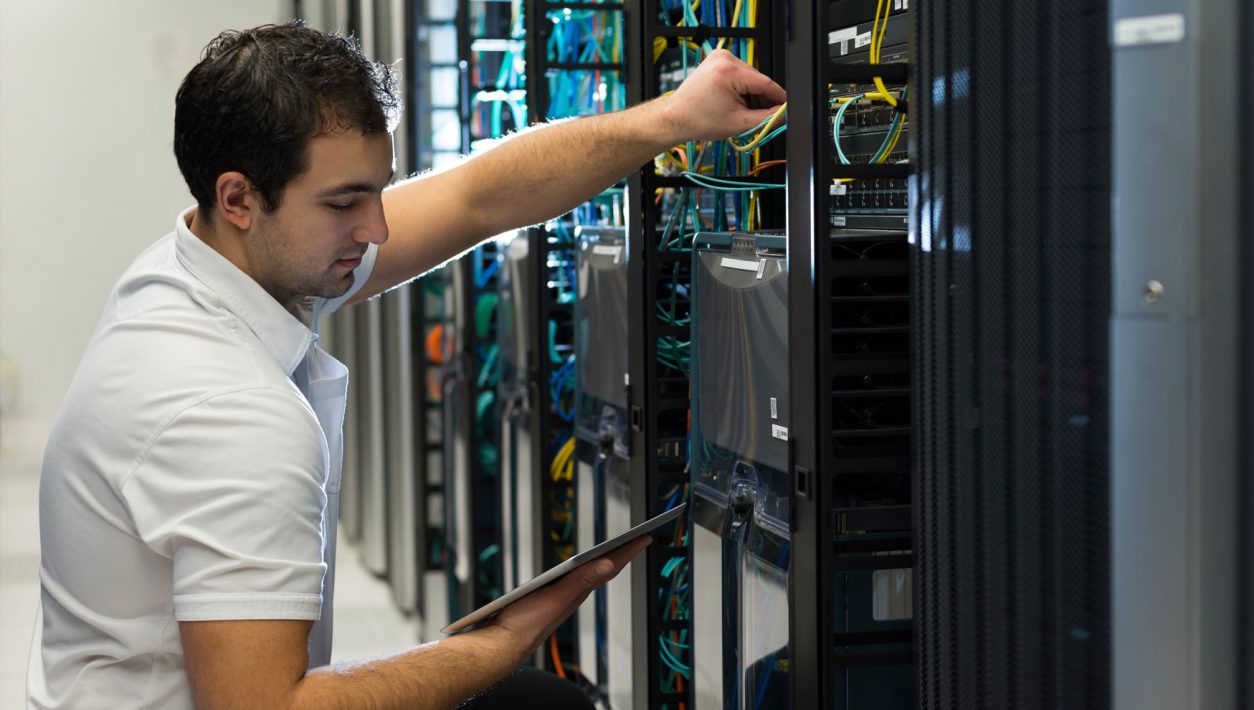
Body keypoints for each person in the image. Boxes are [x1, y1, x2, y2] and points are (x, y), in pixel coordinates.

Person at [26, 22, 785, 709]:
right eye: (345, 202)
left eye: (379, 190)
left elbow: (477, 198)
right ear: (238, 198)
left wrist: (673, 118)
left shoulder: (191, 267)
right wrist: (500, 641)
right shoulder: (231, 412)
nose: (378, 226)